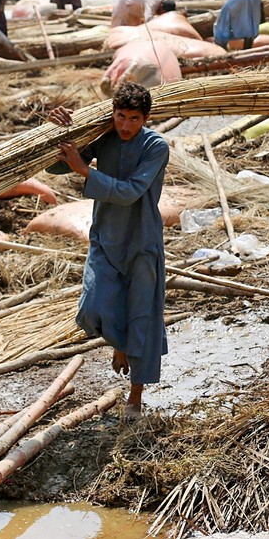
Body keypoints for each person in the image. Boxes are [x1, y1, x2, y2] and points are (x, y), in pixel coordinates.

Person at [48, 83, 169, 421]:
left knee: (142, 314)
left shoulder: (156, 146)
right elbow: (57, 166)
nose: (125, 126)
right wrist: (55, 131)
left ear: (146, 118)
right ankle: (119, 343)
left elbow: (131, 192)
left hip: (141, 240)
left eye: (133, 118)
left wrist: (85, 171)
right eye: (120, 116)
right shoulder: (105, 137)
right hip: (105, 237)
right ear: (112, 114)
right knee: (93, 305)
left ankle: (135, 395)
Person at [110, 0, 175, 27]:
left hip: (134, 12)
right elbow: (148, 20)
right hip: (123, 7)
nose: (160, 15)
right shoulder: (152, 2)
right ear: (161, 6)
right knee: (118, 29)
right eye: (162, 13)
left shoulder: (157, 1)